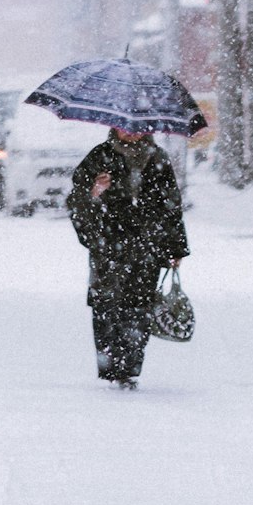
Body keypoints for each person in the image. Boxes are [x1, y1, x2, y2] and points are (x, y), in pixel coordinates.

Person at [67, 126, 189, 389]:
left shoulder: (157, 159)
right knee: (106, 305)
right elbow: (76, 201)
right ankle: (111, 366)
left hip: (146, 245)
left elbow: (171, 204)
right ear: (115, 127)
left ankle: (129, 368)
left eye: (138, 128)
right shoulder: (99, 157)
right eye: (126, 128)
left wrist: (175, 247)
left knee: (139, 306)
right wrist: (94, 192)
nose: (132, 133)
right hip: (108, 246)